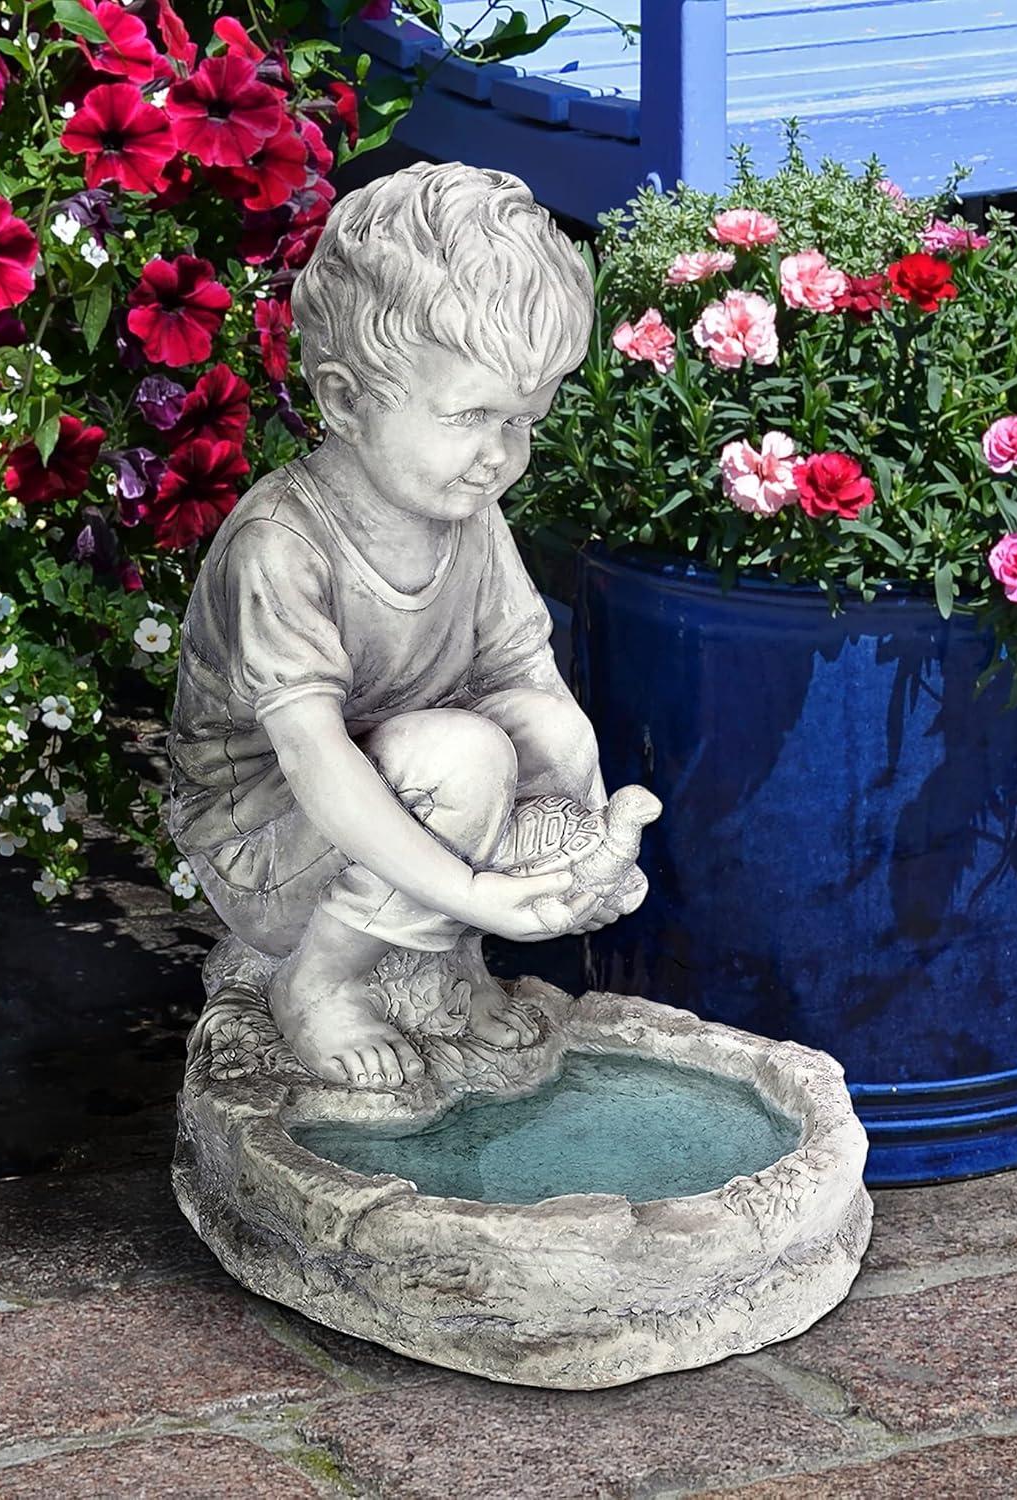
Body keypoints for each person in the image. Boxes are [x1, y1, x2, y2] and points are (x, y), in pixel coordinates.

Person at [168, 161, 626, 1092]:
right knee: (464, 757)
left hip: (414, 777)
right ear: (344, 399)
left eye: (524, 421)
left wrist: (579, 841)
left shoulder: (469, 513)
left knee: (550, 729)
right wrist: (471, 891)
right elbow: (315, 761)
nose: (500, 456)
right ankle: (320, 985)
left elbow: (525, 678)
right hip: (265, 837)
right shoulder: (280, 544)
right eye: (471, 416)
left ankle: (439, 967)